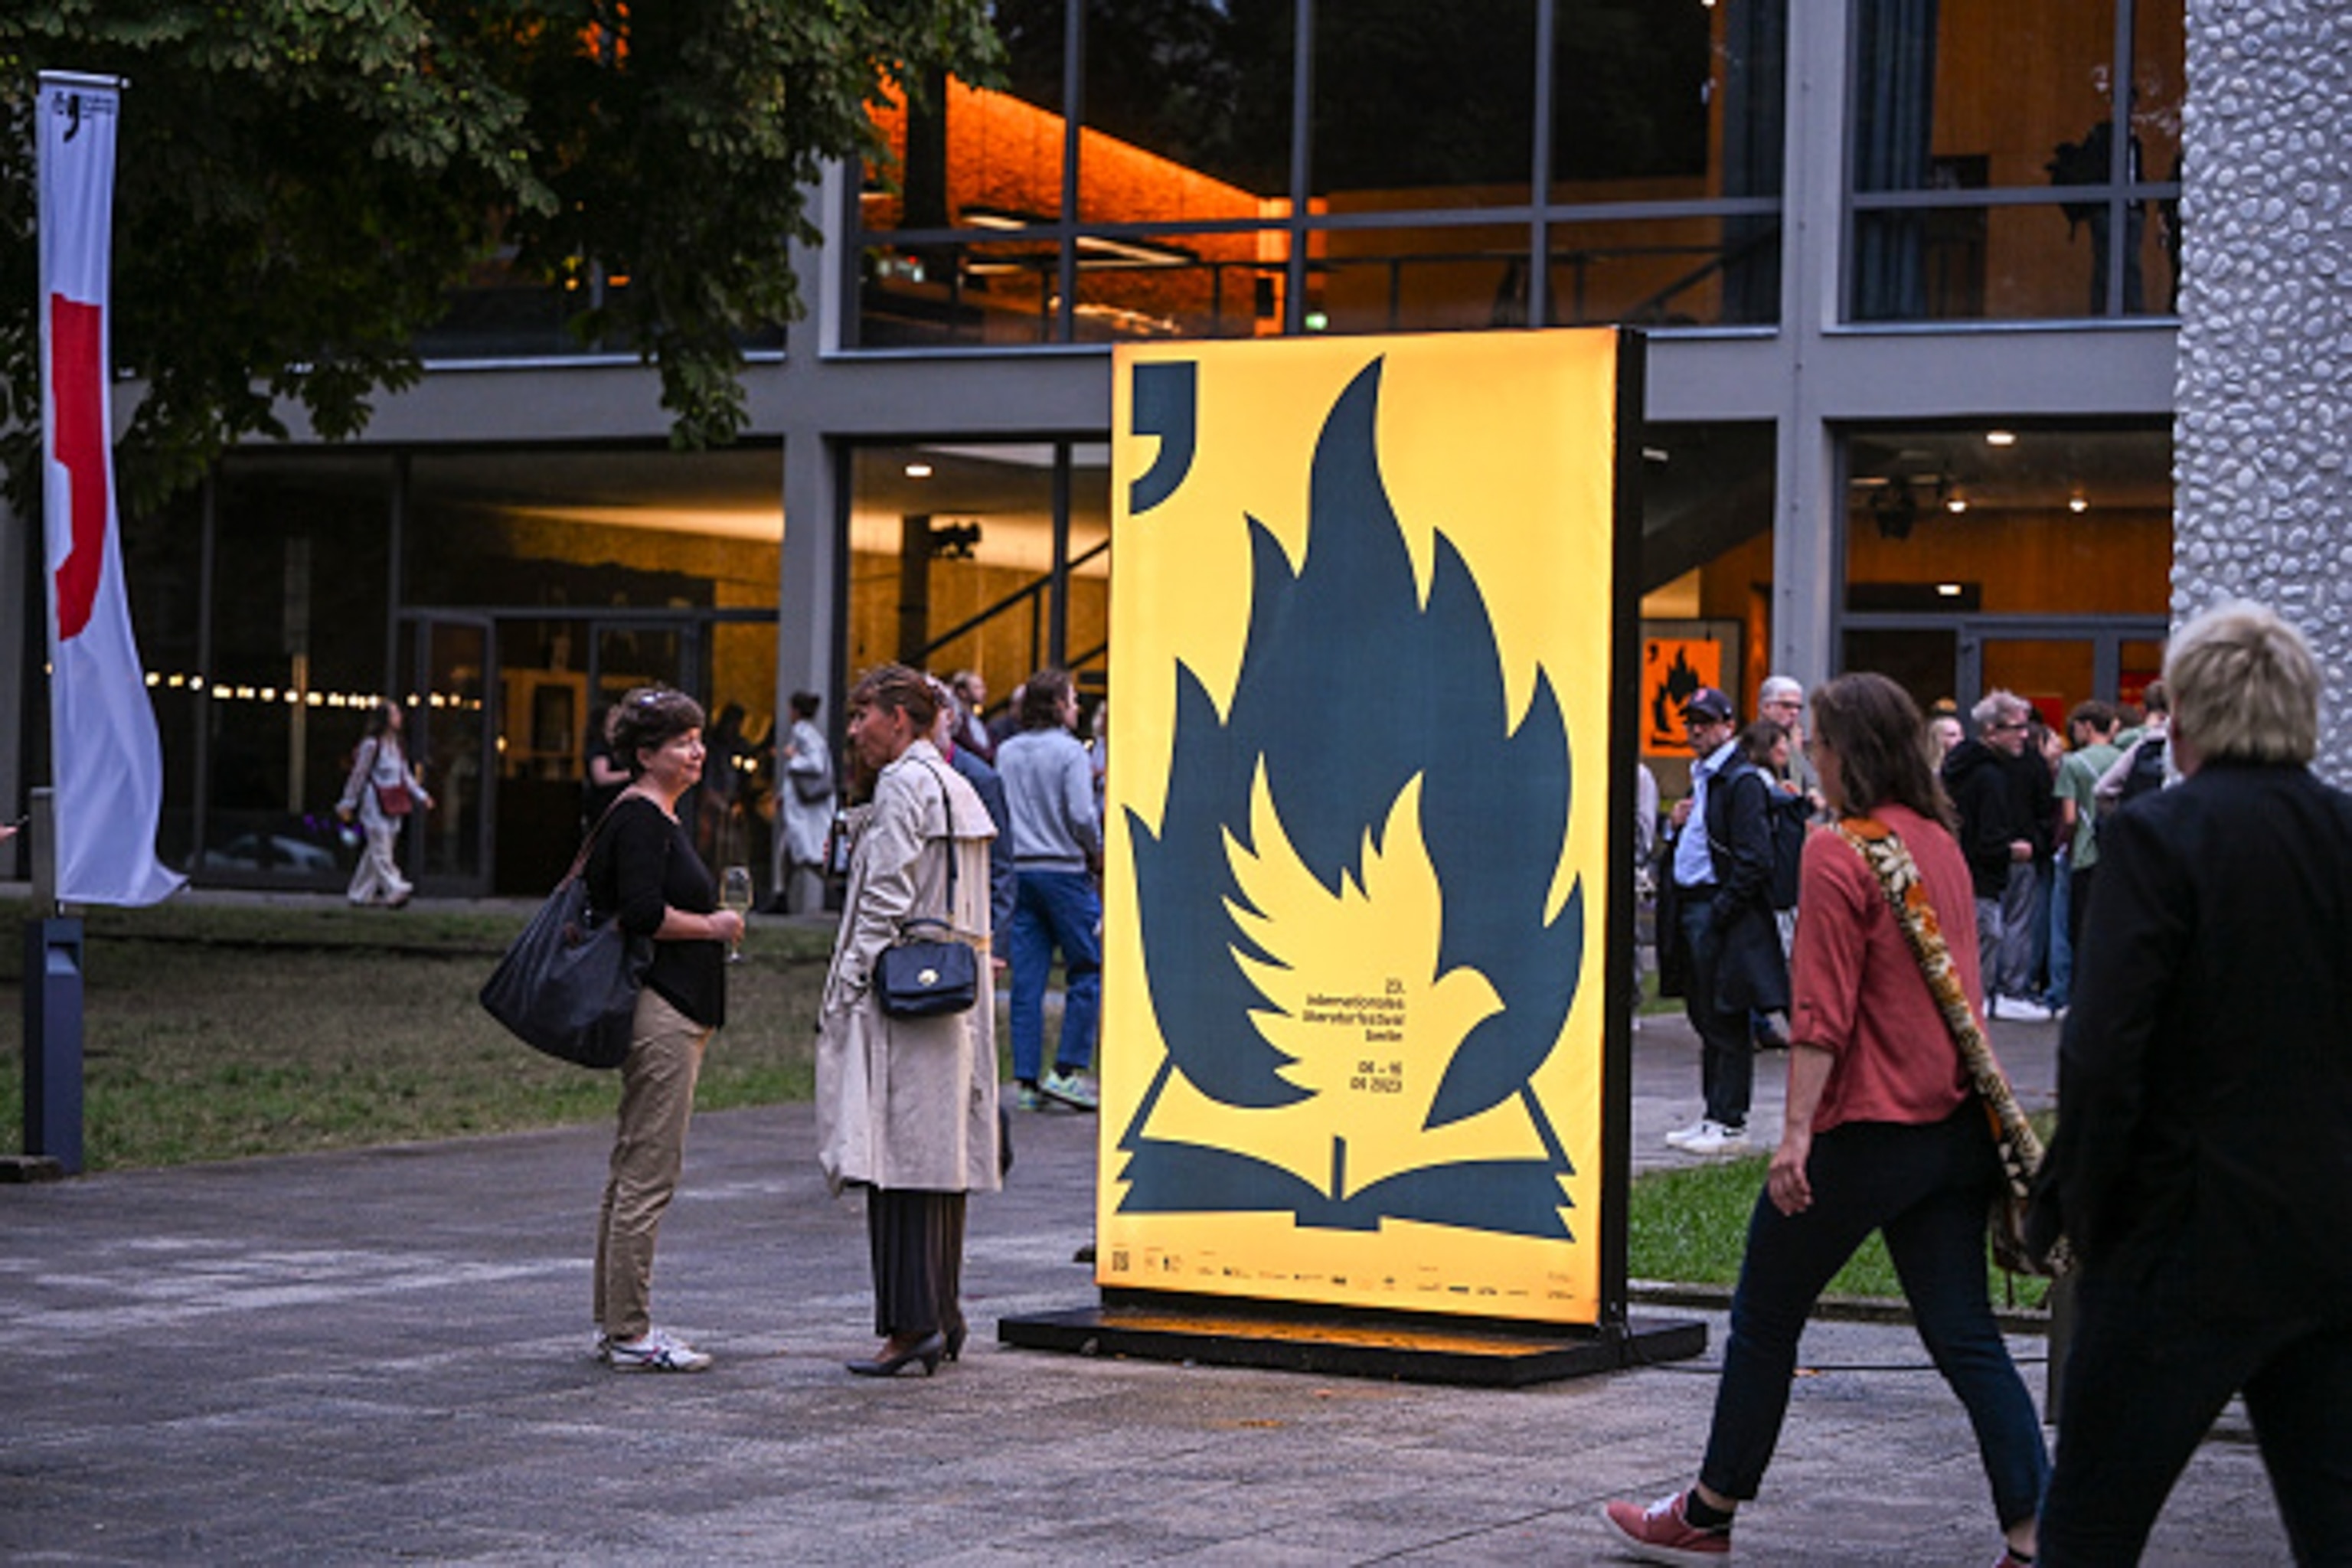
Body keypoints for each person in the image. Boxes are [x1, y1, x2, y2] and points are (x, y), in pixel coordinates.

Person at [1605, 672, 2048, 1568]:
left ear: (1851, 753)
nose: (1807, 748)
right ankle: (2036, 1534)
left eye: (1820, 739)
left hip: (1863, 1129)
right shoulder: (1941, 842)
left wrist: (1797, 1135)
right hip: (1952, 1128)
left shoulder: (1837, 848)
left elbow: (1822, 1015)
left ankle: (1709, 1509)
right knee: (1965, 1334)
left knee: (1766, 1313)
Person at [2032, 603, 2352, 1565]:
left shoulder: (2160, 837)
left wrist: (2073, 1207)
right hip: (2330, 1238)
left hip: (2180, 1241)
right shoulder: (2344, 835)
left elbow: (2104, 1051)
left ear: (2188, 713)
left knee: (2092, 1523)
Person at [815, 665, 1000, 1377]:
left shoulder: (902, 785)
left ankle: (909, 1324)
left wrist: (849, 981)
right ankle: (942, 1315)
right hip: (953, 990)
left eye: (863, 714)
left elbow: (885, 894)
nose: (855, 729)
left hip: (904, 992)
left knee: (896, 1162)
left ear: (900, 717)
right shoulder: (955, 782)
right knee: (938, 1160)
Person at [584, 687, 742, 1373]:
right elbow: (644, 911)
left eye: (698, 737)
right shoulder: (643, 818)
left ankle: (617, 1322)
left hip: (674, 1007)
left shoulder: (655, 816)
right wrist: (714, 925)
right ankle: (631, 1334)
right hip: (664, 1010)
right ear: (645, 755)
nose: (696, 750)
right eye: (681, 741)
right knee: (649, 1173)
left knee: (632, 1172)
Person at [1655, 687, 1787, 1155]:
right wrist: (1674, 828)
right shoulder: (1705, 779)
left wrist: (1722, 910)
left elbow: (1755, 859)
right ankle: (1714, 1114)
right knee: (1705, 1015)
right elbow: (1693, 846)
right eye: (1691, 721)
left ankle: (1730, 1121)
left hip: (1717, 909)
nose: (1696, 729)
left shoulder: (1740, 781)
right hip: (1696, 907)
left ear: (1729, 726)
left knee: (1726, 1018)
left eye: (1706, 722)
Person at [995, 667, 1104, 1112]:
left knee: (1028, 980)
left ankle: (1025, 1080)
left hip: (1020, 871)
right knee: (1086, 968)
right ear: (1060, 705)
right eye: (1075, 700)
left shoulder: (1006, 751)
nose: (1079, 708)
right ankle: (1066, 1071)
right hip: (1064, 871)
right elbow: (1081, 811)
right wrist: (1095, 850)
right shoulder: (1070, 753)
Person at [1942, 692, 2052, 1021]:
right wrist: (2013, 849)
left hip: (1970, 872)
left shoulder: (1964, 768)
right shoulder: (1989, 776)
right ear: (1992, 730)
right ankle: (1988, 1000)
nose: (2024, 735)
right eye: (2016, 728)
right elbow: (1986, 838)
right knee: (1988, 938)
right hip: (1985, 874)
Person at [335, 701, 433, 909]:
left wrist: (421, 796)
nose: (400, 717)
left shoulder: (396, 746)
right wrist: (348, 802)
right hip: (374, 803)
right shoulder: (371, 745)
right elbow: (358, 775)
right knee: (381, 849)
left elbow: (405, 776)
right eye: (395, 713)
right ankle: (396, 886)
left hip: (393, 802)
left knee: (376, 850)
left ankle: (359, 893)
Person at [779, 691, 836, 914]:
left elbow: (816, 764)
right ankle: (781, 896)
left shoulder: (803, 734)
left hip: (806, 811)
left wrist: (793, 758)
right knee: (789, 853)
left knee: (808, 854)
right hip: (803, 808)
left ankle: (838, 891)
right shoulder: (809, 733)